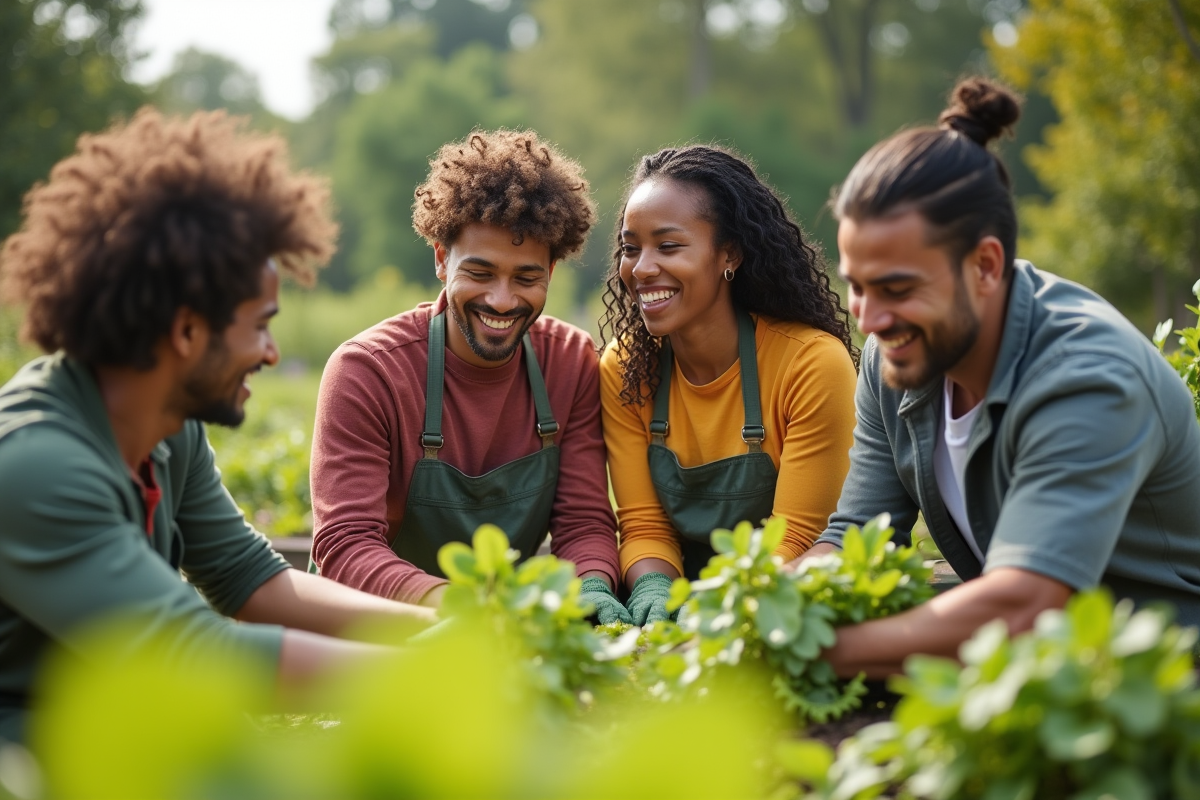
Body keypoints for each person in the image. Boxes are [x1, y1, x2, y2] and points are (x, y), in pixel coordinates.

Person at [0, 109, 439, 745]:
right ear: (185, 331)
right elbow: (193, 655)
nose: (269, 350)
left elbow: (248, 578)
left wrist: (437, 628)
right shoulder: (36, 464)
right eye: (259, 323)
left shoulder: (166, 429)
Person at [802, 78, 1200, 677]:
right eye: (857, 286)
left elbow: (1025, 605)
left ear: (985, 265)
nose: (871, 318)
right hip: (1047, 672)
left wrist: (807, 651)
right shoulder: (898, 357)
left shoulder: (1087, 377)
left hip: (1161, 683)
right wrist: (781, 604)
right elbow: (858, 533)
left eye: (898, 288)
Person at [309, 130, 628, 623]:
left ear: (552, 271)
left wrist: (591, 589)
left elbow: (583, 522)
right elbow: (345, 545)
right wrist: (467, 610)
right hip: (376, 633)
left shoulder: (571, 362)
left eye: (526, 278)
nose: (502, 300)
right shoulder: (369, 371)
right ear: (441, 258)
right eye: (479, 273)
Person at [599, 145, 860, 625]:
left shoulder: (810, 363)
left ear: (730, 254)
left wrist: (716, 616)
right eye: (630, 248)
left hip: (781, 602)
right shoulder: (625, 368)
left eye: (669, 246)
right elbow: (644, 524)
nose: (641, 268)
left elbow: (798, 537)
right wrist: (657, 591)